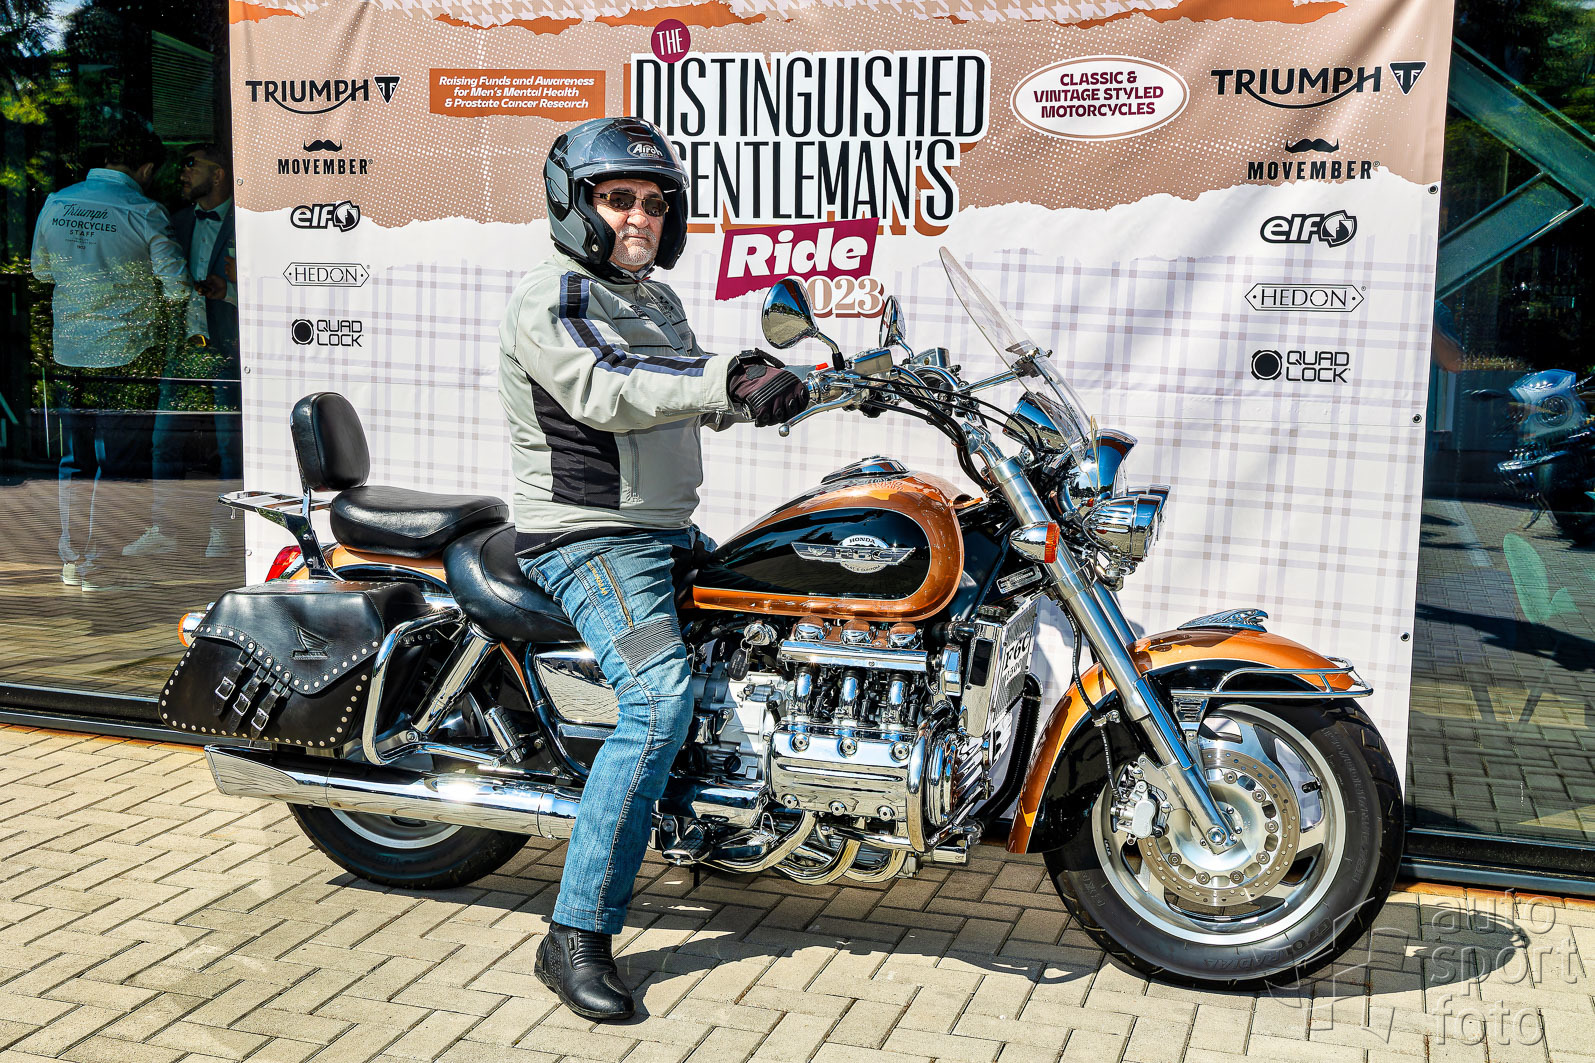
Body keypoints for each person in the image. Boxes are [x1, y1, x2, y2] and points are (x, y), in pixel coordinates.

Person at [500, 116, 808, 1021]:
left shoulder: (655, 298)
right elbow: (609, 388)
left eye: (653, 201)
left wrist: (811, 387)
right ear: (574, 204)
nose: (639, 215)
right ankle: (575, 932)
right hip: (590, 538)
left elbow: (687, 387)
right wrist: (727, 378)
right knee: (657, 700)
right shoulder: (551, 296)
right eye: (617, 198)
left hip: (665, 529)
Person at [30, 120, 198, 590]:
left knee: (75, 458)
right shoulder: (144, 210)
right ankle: (100, 564)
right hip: (126, 352)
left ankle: (73, 558)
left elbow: (41, 271)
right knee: (120, 464)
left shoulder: (56, 202)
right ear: (146, 168)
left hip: (69, 350)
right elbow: (177, 287)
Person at [126, 142, 243, 560]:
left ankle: (229, 531)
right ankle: (166, 529)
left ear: (219, 174)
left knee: (230, 446)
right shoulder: (174, 222)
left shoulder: (247, 223)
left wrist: (229, 290)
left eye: (192, 164)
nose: (182, 172)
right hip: (183, 347)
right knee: (164, 442)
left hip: (228, 349)